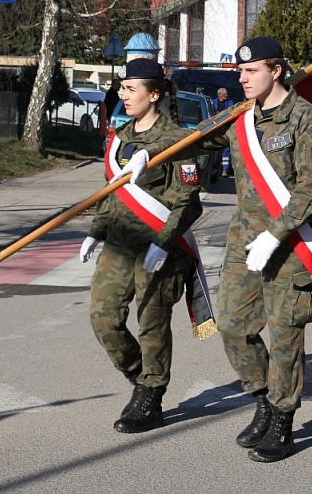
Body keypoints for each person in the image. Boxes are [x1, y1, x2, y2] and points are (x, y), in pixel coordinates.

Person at [114, 36, 312, 461]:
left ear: (277, 70)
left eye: (251, 72)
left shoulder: (305, 120)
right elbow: (194, 139)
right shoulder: (241, 118)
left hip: (288, 246)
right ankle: (263, 401)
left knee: (286, 335)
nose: (243, 79)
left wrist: (276, 233)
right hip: (244, 244)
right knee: (234, 326)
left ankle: (284, 421)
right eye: (240, 72)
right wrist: (149, 150)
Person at [81, 58, 209, 434]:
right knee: (104, 319)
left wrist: (164, 242)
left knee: (152, 323)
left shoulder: (178, 141)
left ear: (154, 94)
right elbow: (111, 194)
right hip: (119, 244)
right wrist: (96, 230)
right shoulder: (120, 138)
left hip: (159, 248)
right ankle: (142, 378)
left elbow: (189, 202)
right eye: (122, 88)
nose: (124, 95)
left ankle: (151, 396)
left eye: (131, 89)